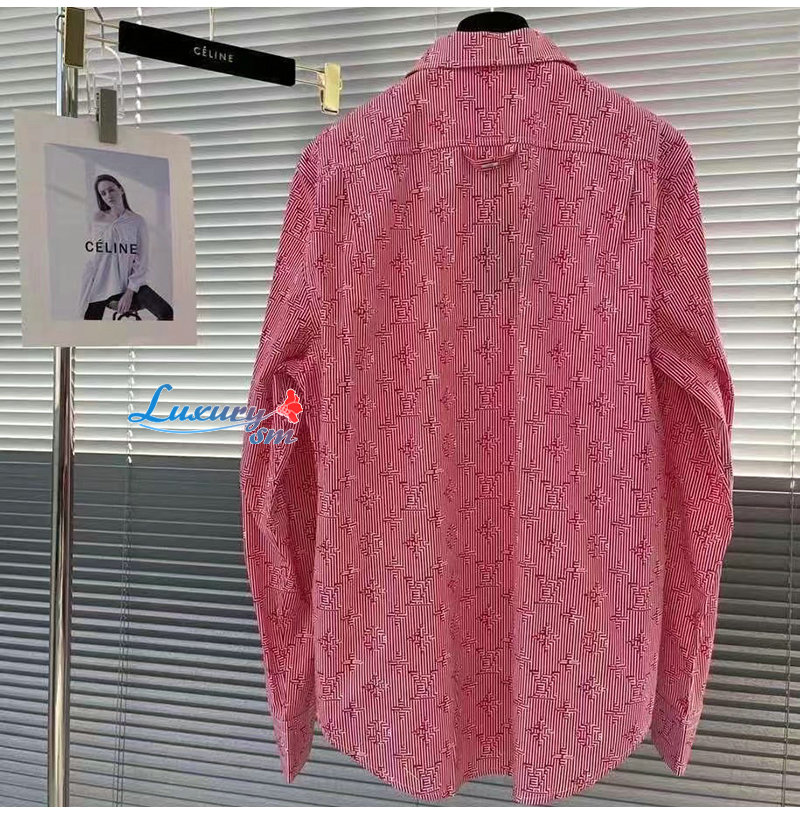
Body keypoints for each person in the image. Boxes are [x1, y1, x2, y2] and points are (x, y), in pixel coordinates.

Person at [80, 174, 174, 320]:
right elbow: (94, 257)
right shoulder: (97, 219)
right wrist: (87, 287)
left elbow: (142, 261)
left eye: (111, 190)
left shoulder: (137, 221)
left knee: (166, 312)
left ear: (121, 190)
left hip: (130, 284)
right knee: (88, 324)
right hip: (101, 284)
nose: (108, 195)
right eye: (103, 193)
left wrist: (129, 292)